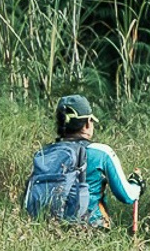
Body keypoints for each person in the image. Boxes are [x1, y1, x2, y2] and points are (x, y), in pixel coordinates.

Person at [25, 95, 143, 229]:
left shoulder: (44, 153)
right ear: (87, 123)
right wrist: (137, 184)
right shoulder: (101, 153)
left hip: (48, 230)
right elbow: (127, 196)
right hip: (91, 230)